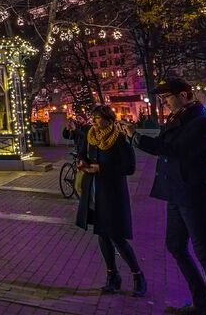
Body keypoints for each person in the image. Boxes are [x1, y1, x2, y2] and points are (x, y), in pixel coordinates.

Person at [121, 78, 206, 315]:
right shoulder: (177, 120)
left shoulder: (203, 122)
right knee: (175, 245)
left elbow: (175, 149)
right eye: (161, 99)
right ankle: (202, 303)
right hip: (175, 193)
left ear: (184, 95)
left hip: (194, 195)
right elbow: (163, 144)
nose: (164, 104)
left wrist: (136, 138)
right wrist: (137, 136)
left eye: (167, 98)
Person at [76, 104, 145, 297]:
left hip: (112, 192)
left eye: (99, 118)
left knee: (116, 236)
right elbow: (82, 152)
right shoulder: (90, 135)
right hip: (94, 191)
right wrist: (82, 161)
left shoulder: (119, 138)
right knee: (102, 234)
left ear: (108, 119)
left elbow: (129, 167)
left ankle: (138, 275)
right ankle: (112, 276)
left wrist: (102, 169)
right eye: (94, 117)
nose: (95, 121)